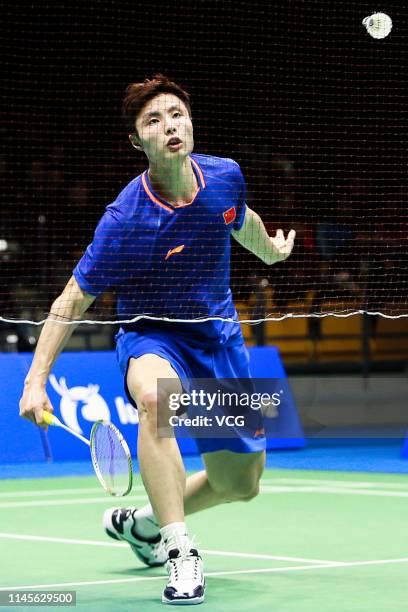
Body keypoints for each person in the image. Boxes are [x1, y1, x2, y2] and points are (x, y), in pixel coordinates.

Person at [19, 74, 296, 605]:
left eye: (176, 114)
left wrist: (269, 251)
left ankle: (144, 523)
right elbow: (71, 301)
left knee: (240, 485)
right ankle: (179, 551)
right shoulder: (124, 219)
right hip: (152, 335)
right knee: (155, 398)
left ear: (189, 122)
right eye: (153, 120)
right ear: (137, 141)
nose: (170, 125)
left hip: (216, 336)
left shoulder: (224, 176)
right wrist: (36, 381)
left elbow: (237, 220)